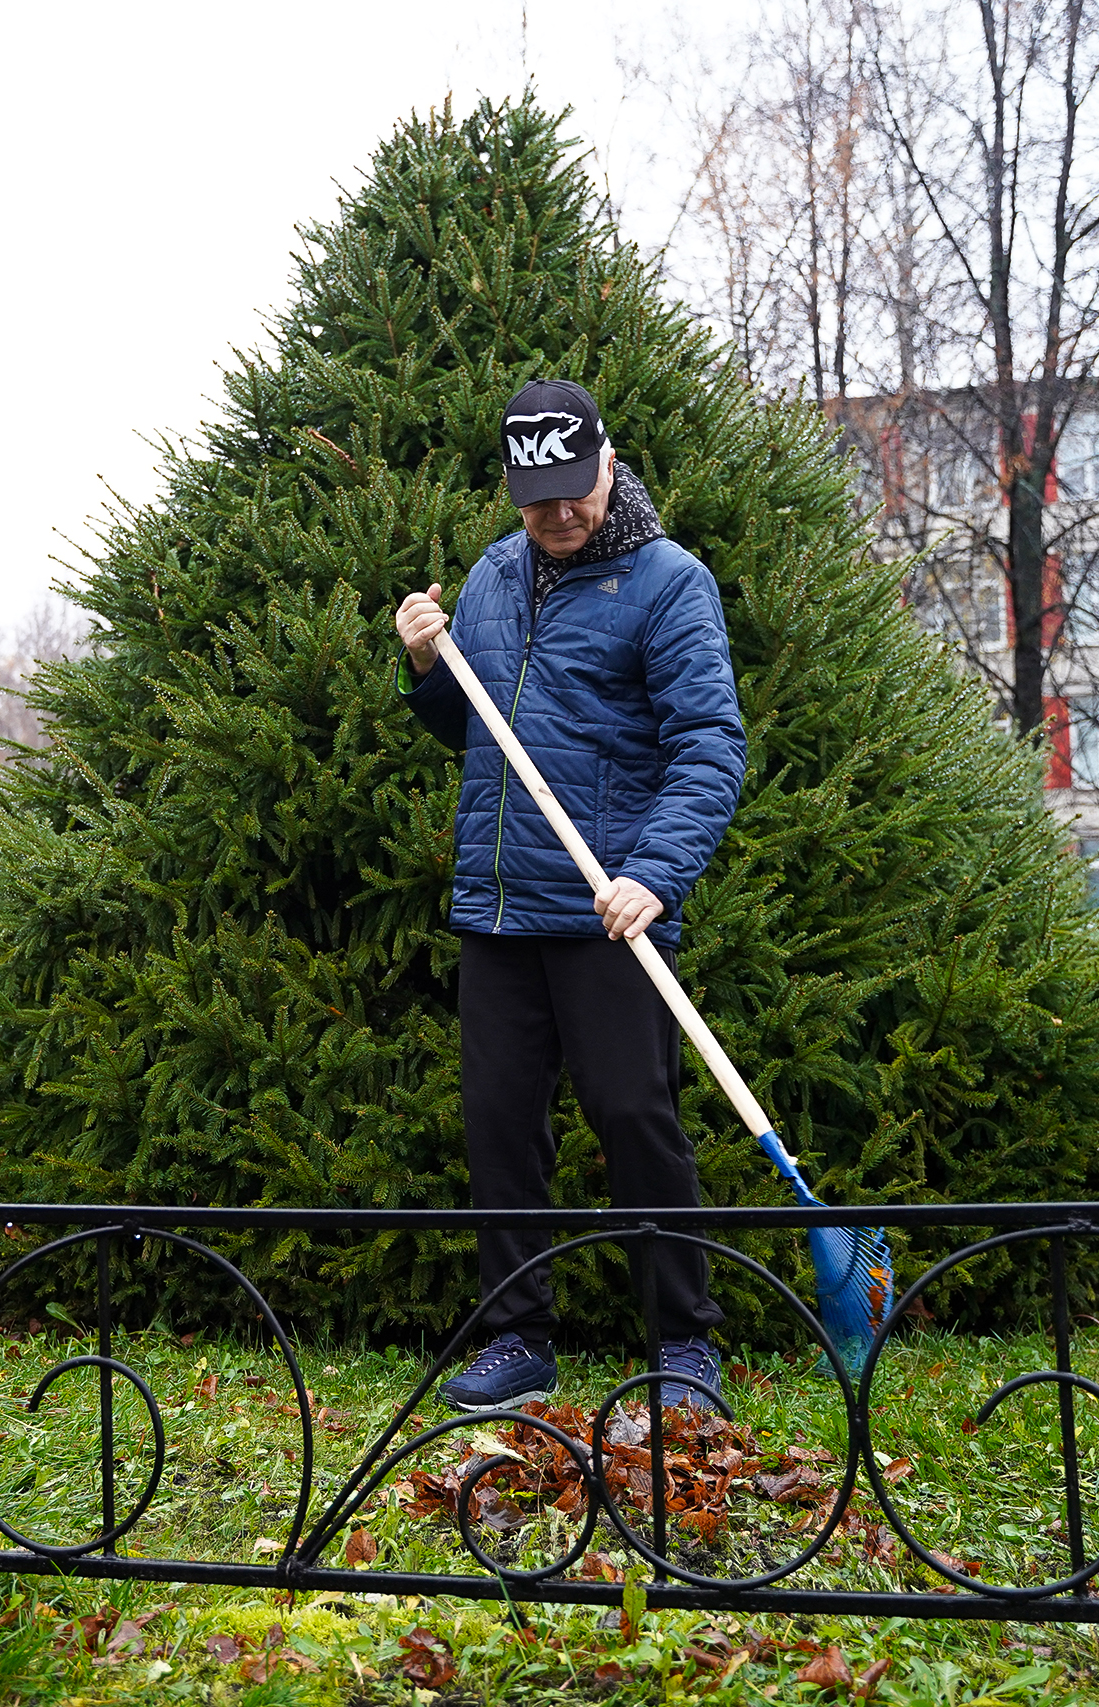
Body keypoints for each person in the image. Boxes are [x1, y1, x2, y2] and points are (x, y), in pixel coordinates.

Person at [394, 378, 749, 1414]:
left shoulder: (668, 582)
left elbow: (710, 745)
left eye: (572, 491)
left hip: (610, 907)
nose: (556, 514)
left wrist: (653, 873)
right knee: (500, 1124)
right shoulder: (495, 574)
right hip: (498, 904)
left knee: (636, 1118)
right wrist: (427, 666)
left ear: (606, 464)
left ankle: (683, 1343)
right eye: (534, 495)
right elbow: (478, 737)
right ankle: (516, 1338)